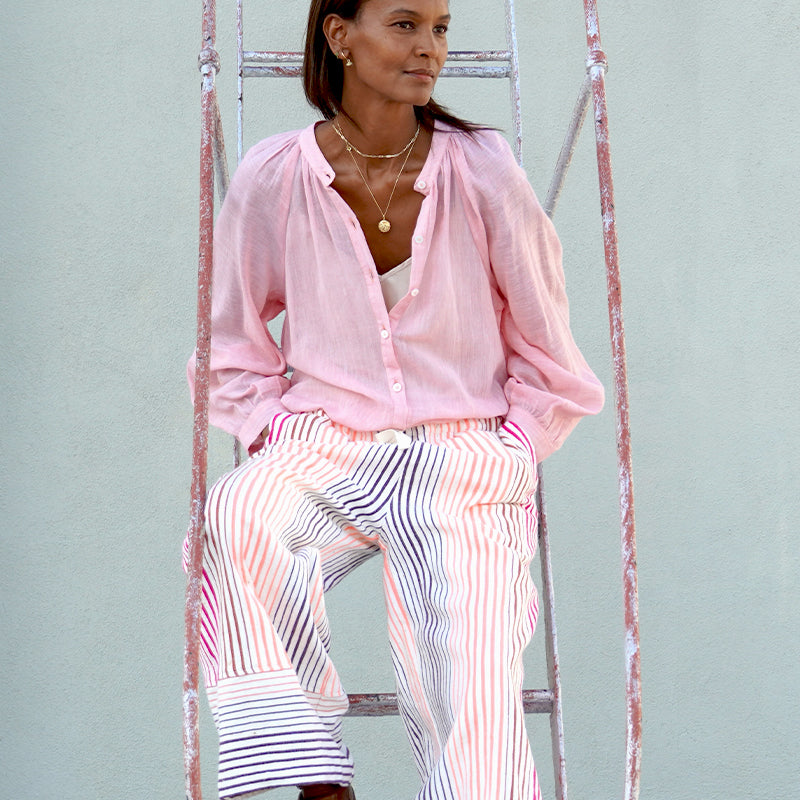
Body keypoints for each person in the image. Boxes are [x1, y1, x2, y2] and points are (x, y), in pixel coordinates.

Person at [187, 1, 604, 798]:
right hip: (325, 443)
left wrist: (513, 445)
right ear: (341, 36)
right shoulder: (274, 176)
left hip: (462, 452)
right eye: (406, 25)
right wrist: (274, 430)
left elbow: (548, 344)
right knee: (236, 516)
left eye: (441, 28)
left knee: (469, 675)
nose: (431, 49)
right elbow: (229, 346)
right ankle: (312, 775)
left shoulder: (481, 168)